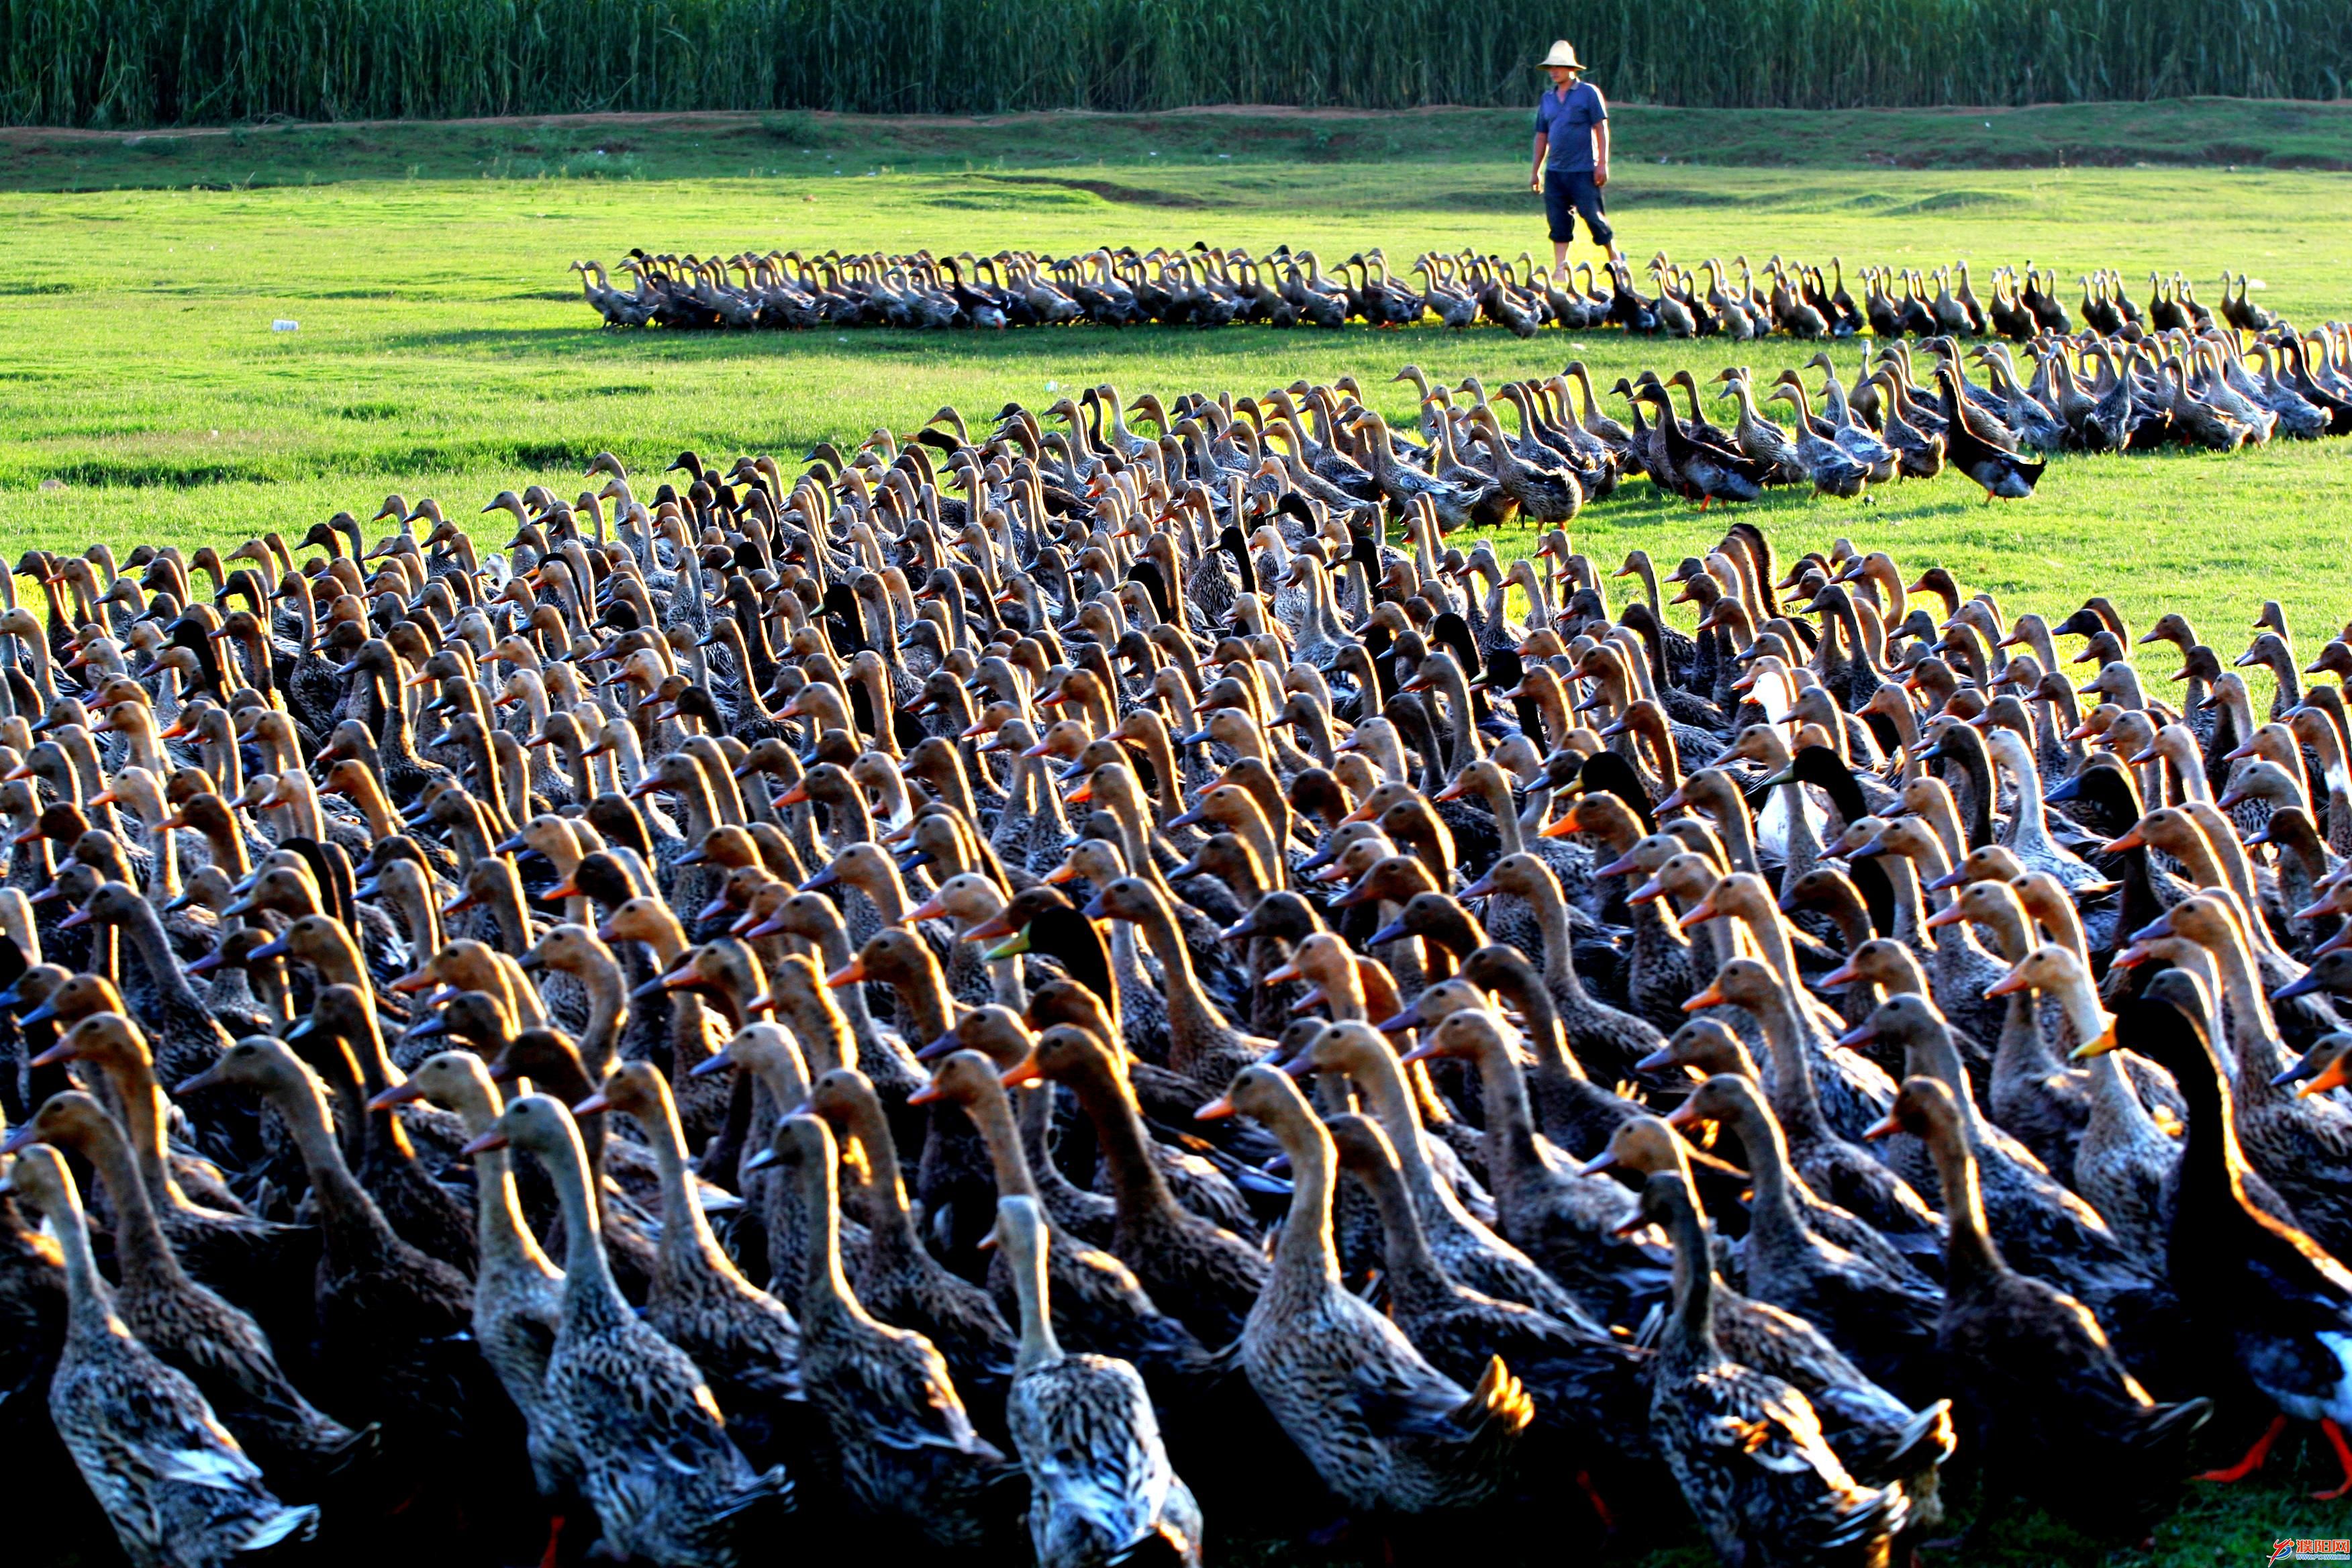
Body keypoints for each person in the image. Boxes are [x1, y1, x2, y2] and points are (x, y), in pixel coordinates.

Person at [1530, 40, 1622, 273]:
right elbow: (1542, 135)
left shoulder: (1588, 93)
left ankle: (1615, 257)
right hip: (1556, 171)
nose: (1554, 71)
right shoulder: (1547, 99)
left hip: (1583, 170)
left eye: (1558, 66)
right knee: (1558, 219)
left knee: (1593, 216)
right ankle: (1561, 269)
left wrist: (1602, 163)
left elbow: (1601, 128)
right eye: (1551, 67)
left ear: (1571, 69)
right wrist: (1535, 171)